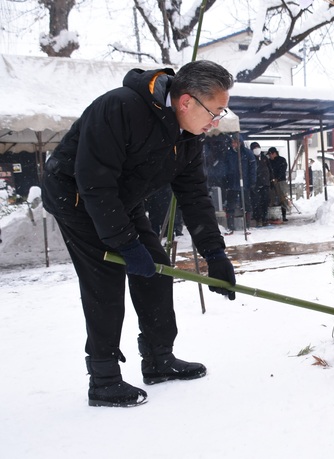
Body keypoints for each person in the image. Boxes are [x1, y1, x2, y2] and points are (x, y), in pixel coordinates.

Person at [41, 60, 237, 408]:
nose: (215, 121)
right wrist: (126, 244)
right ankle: (103, 378)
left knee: (156, 269)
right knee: (106, 275)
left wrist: (215, 254)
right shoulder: (121, 108)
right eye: (215, 111)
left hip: (121, 198)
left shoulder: (188, 136)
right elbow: (94, 182)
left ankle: (159, 358)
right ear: (186, 102)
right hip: (76, 195)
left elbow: (194, 195)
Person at [227, 134, 256, 232]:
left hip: (245, 183)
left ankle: (247, 225)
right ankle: (230, 226)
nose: (233, 144)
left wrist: (252, 181)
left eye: (235, 142)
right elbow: (225, 168)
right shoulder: (229, 154)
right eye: (232, 142)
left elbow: (252, 168)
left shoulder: (247, 153)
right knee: (230, 205)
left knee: (246, 204)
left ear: (240, 143)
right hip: (232, 184)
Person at [249, 141, 273, 226]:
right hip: (255, 184)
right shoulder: (250, 158)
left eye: (257, 147)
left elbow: (269, 169)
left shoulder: (264, 157)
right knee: (256, 203)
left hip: (265, 183)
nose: (257, 149)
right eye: (254, 148)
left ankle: (265, 218)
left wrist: (271, 180)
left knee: (265, 201)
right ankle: (258, 218)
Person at [267, 146, 290, 222]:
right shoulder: (269, 161)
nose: (270, 156)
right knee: (272, 198)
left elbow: (282, 170)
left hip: (281, 181)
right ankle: (274, 216)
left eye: (270, 154)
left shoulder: (282, 160)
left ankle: (284, 215)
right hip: (272, 182)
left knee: (282, 198)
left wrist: (277, 178)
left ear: (274, 153)